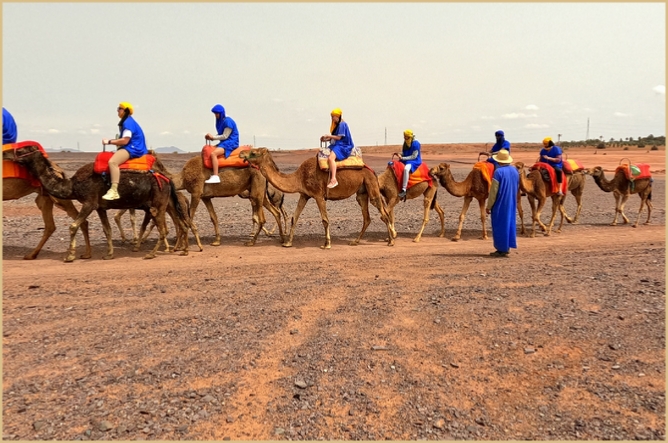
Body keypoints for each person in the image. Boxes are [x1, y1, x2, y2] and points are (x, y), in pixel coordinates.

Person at [101, 102, 149, 200]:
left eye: (119, 108)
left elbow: (125, 140)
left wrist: (109, 141)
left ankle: (114, 190)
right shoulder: (128, 121)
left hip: (133, 148)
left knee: (113, 162)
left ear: (125, 111)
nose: (117, 110)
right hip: (132, 146)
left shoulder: (128, 123)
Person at [485, 149, 519, 257]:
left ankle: (501, 249)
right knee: (509, 223)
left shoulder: (498, 172)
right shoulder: (514, 171)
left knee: (499, 225)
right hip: (511, 201)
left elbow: (493, 191)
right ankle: (507, 246)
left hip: (500, 202)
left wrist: (489, 206)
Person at [204, 104, 240, 184]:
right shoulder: (221, 120)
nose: (216, 115)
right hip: (225, 141)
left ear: (221, 113)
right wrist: (211, 137)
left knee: (213, 154)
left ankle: (216, 176)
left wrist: (213, 137)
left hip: (231, 142)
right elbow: (221, 135)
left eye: (217, 114)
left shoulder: (228, 121)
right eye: (215, 114)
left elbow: (225, 136)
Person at [320, 108, 354, 189]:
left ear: (338, 116)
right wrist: (325, 139)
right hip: (337, 144)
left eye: (333, 117)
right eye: (332, 117)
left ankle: (333, 179)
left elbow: (339, 137)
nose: (332, 118)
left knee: (331, 158)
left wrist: (328, 136)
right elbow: (334, 138)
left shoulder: (342, 124)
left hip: (344, 145)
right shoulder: (337, 126)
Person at [396, 129, 422, 199]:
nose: (405, 138)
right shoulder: (406, 143)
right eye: (404, 137)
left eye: (406, 137)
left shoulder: (416, 144)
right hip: (406, 159)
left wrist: (403, 158)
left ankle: (404, 189)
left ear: (410, 137)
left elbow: (414, 156)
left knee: (406, 169)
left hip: (414, 161)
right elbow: (404, 153)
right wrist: (400, 154)